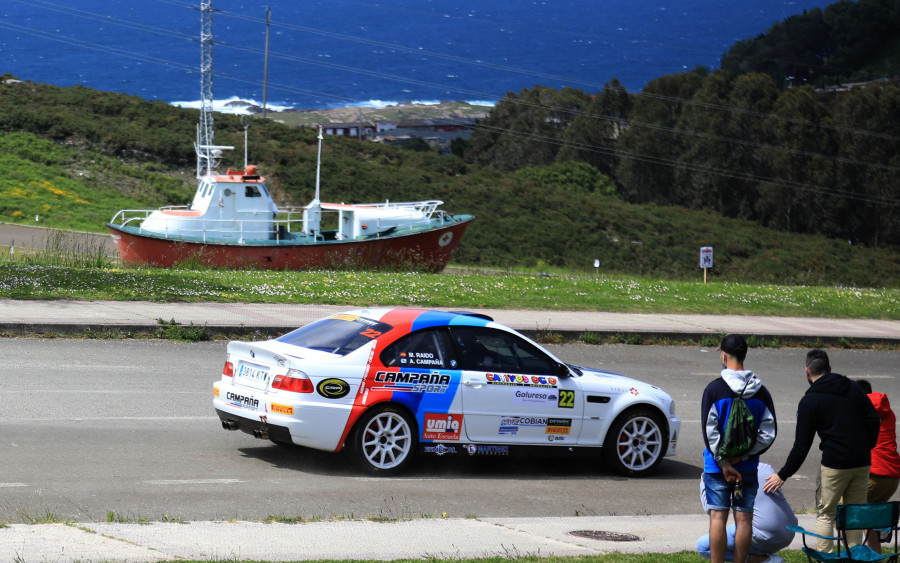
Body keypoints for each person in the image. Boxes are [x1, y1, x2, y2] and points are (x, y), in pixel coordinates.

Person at [763, 349, 879, 553]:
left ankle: (826, 557)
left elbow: (801, 446)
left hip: (834, 464)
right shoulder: (853, 388)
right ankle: (855, 557)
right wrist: (865, 446)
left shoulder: (810, 401)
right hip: (862, 462)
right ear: (830, 369)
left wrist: (783, 474)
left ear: (807, 372)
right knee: (854, 513)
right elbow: (873, 420)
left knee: (826, 513)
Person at [701, 334, 778, 563]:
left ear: (724, 356)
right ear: (744, 355)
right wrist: (743, 456)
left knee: (718, 518)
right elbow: (769, 433)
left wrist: (724, 462)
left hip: (716, 467)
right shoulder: (761, 392)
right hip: (747, 467)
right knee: (744, 519)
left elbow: (709, 432)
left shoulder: (714, 390)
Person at [697, 463, 797, 563]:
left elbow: (712, 511)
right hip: (789, 533)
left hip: (763, 536)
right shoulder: (766, 467)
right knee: (745, 520)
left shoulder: (730, 476)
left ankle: (763, 560)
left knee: (703, 546)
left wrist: (704, 480)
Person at [857, 379, 900, 553]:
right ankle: (876, 557)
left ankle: (846, 554)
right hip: (893, 476)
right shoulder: (888, 412)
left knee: (845, 510)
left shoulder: (860, 411)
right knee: (870, 519)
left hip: (874, 474)